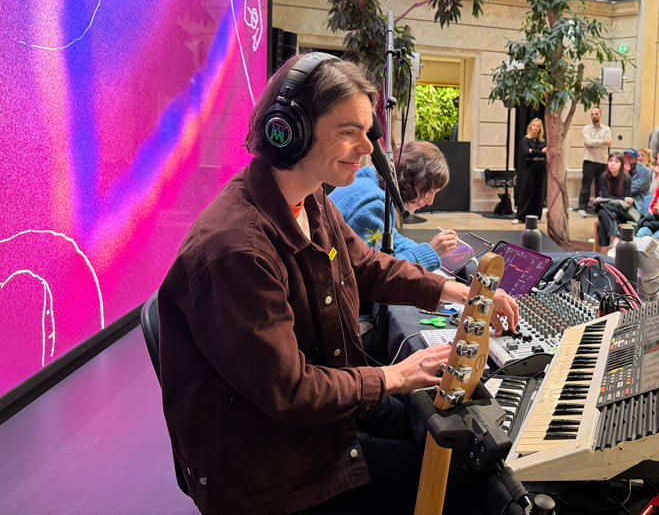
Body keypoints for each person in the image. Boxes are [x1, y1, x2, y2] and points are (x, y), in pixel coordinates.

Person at [156, 53, 518, 515]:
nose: (368, 148)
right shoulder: (237, 250)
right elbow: (293, 391)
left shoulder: (310, 202)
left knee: (442, 435)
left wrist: (455, 290)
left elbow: (367, 266)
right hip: (271, 468)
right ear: (289, 130)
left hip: (310, 423)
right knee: (462, 484)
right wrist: (394, 375)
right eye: (350, 131)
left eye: (367, 132)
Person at [331, 141, 457, 271]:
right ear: (415, 179)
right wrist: (430, 252)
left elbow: (391, 238)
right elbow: (371, 272)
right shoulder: (376, 205)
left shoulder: (368, 184)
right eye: (430, 191)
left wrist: (429, 248)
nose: (430, 201)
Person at [578, 106, 612, 218]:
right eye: (592, 114)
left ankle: (597, 208)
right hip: (589, 160)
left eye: (596, 114)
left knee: (600, 185)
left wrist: (596, 143)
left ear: (601, 115)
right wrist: (602, 141)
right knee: (586, 185)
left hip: (602, 160)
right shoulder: (586, 128)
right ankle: (582, 208)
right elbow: (588, 142)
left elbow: (608, 142)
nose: (594, 116)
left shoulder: (606, 129)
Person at [513, 117, 547, 224]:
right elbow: (527, 153)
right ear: (530, 127)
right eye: (534, 125)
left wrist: (534, 151)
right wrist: (539, 152)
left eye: (538, 126)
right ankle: (521, 216)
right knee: (526, 192)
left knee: (538, 192)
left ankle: (535, 216)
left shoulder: (543, 141)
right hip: (528, 169)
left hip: (540, 169)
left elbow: (546, 153)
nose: (535, 128)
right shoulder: (525, 140)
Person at [594, 153, 630, 253]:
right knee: (603, 212)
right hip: (607, 208)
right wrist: (621, 199)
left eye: (616, 161)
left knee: (602, 218)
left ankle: (603, 254)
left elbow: (628, 198)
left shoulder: (626, 178)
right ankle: (614, 238)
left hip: (620, 211)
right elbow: (606, 196)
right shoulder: (603, 176)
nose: (612, 164)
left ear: (621, 164)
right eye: (610, 161)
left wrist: (611, 200)